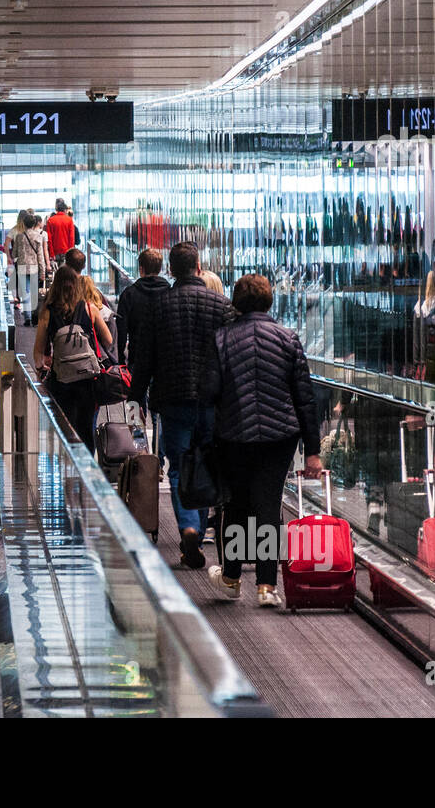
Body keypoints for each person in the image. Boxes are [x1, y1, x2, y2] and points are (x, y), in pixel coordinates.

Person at [202, 274, 320, 608]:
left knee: (236, 505)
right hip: (278, 436)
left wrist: (207, 436)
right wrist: (312, 450)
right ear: (269, 301)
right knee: (269, 504)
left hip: (233, 434)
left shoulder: (221, 339)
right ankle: (267, 586)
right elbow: (305, 399)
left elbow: (208, 393)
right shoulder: (288, 339)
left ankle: (231, 578)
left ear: (236, 303)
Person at [129, 242, 237, 570]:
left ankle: (188, 526)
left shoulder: (159, 306)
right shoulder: (221, 305)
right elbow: (231, 355)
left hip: (172, 398)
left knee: (177, 467)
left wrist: (137, 396)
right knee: (208, 463)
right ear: (199, 267)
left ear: (171, 270)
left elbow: (143, 356)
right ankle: (199, 527)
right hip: (211, 401)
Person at [34, 265, 112, 450]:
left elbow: (38, 350)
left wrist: (41, 367)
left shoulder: (48, 311)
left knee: (65, 425)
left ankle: (68, 464)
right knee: (87, 427)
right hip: (88, 379)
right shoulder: (89, 308)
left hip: (62, 381)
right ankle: (87, 470)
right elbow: (108, 340)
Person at [115, 248, 169, 369]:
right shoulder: (170, 292)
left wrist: (121, 359)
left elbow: (121, 330)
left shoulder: (129, 294)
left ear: (141, 269)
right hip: (165, 356)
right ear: (160, 269)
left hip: (138, 356)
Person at [10, 212, 50, 326]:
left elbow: (14, 254)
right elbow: (40, 255)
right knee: (34, 293)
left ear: (24, 224)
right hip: (34, 267)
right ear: (34, 224)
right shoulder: (39, 236)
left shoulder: (19, 237)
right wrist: (43, 271)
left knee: (26, 293)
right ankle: (35, 316)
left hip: (22, 267)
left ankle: (27, 317)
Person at [46, 198, 76, 265]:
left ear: (56, 210)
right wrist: (70, 253)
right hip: (66, 251)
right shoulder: (69, 220)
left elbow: (49, 239)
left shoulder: (50, 220)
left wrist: (51, 253)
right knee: (65, 272)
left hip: (54, 251)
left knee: (56, 273)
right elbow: (71, 238)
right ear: (65, 210)